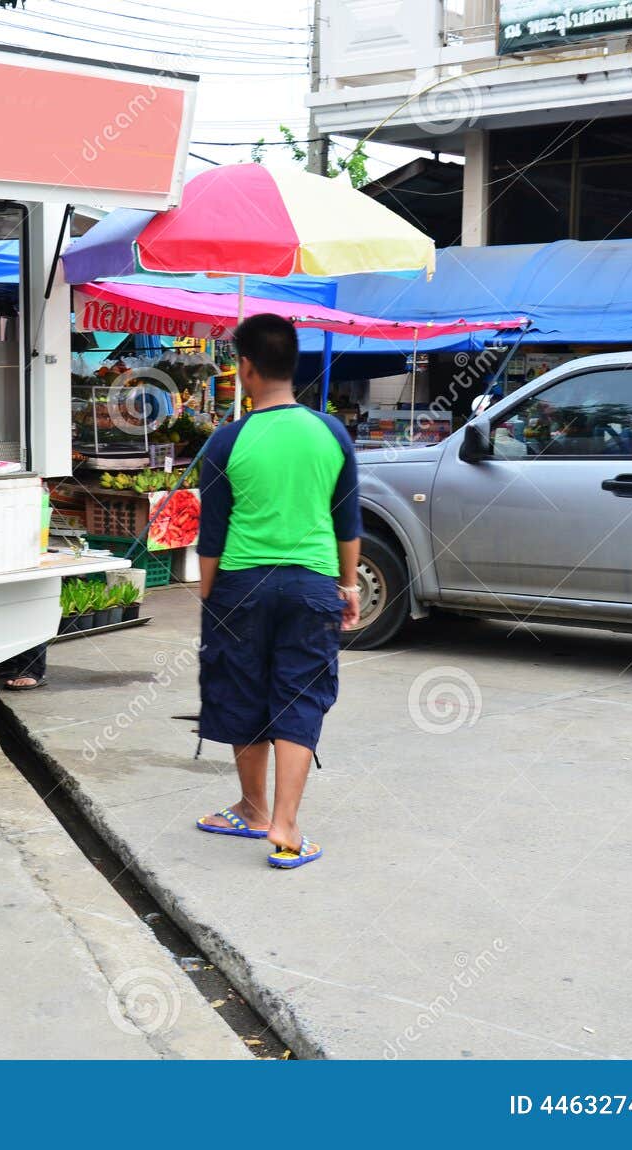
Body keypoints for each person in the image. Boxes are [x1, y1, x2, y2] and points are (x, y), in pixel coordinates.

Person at [193, 314, 360, 870]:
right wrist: (347, 585)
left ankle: (254, 807)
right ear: (293, 365)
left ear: (244, 368)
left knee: (243, 689)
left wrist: (209, 595)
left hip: (240, 583)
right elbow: (347, 521)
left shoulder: (226, 441)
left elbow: (212, 534)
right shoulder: (331, 433)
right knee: (299, 694)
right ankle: (282, 822)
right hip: (314, 583)